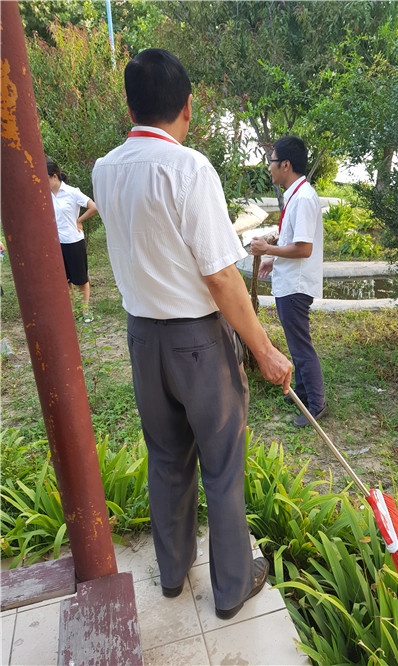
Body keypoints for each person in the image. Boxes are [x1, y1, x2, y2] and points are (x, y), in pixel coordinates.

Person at [92, 49, 292, 620]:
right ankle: (230, 589)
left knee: (166, 459)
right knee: (222, 463)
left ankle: (174, 575)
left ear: (129, 104)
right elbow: (222, 277)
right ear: (187, 107)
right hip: (198, 343)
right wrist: (265, 351)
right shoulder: (189, 169)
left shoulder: (105, 170)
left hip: (141, 339)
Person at [250, 136, 327, 428]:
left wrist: (267, 249)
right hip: (289, 281)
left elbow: (304, 249)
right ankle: (305, 393)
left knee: (300, 345)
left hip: (296, 286)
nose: (268, 167)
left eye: (271, 161)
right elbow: (294, 242)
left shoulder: (304, 197)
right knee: (296, 345)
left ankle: (316, 404)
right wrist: (274, 259)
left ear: (285, 164)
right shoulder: (296, 194)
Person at [47, 160, 97, 321]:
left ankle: (85, 311)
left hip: (73, 241)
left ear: (54, 176)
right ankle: (72, 309)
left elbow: (93, 207)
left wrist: (78, 220)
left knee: (81, 279)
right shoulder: (45, 195)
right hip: (56, 243)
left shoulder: (71, 192)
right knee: (64, 279)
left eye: (45, 178)